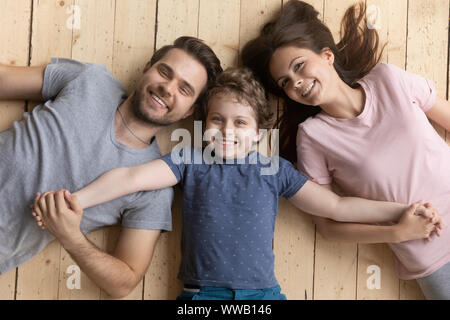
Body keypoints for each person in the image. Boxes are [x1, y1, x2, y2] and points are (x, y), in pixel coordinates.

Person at [33, 67, 441, 300]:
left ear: (259, 130)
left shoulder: (273, 169)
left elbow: (336, 207)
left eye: (240, 123)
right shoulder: (189, 160)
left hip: (264, 297)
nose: (227, 131)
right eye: (217, 120)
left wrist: (397, 212)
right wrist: (76, 201)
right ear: (203, 125)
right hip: (200, 297)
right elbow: (131, 176)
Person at [241, 1, 450, 299]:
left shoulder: (388, 79)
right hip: (431, 254)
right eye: (285, 82)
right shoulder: (313, 138)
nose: (297, 82)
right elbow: (328, 225)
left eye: (299, 65)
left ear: (326, 55)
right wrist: (397, 233)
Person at [0, 36, 222, 299]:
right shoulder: (90, 80)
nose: (168, 88)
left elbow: (124, 282)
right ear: (147, 68)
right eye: (164, 72)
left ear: (190, 111)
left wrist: (71, 236)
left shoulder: (154, 186)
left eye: (185, 89)